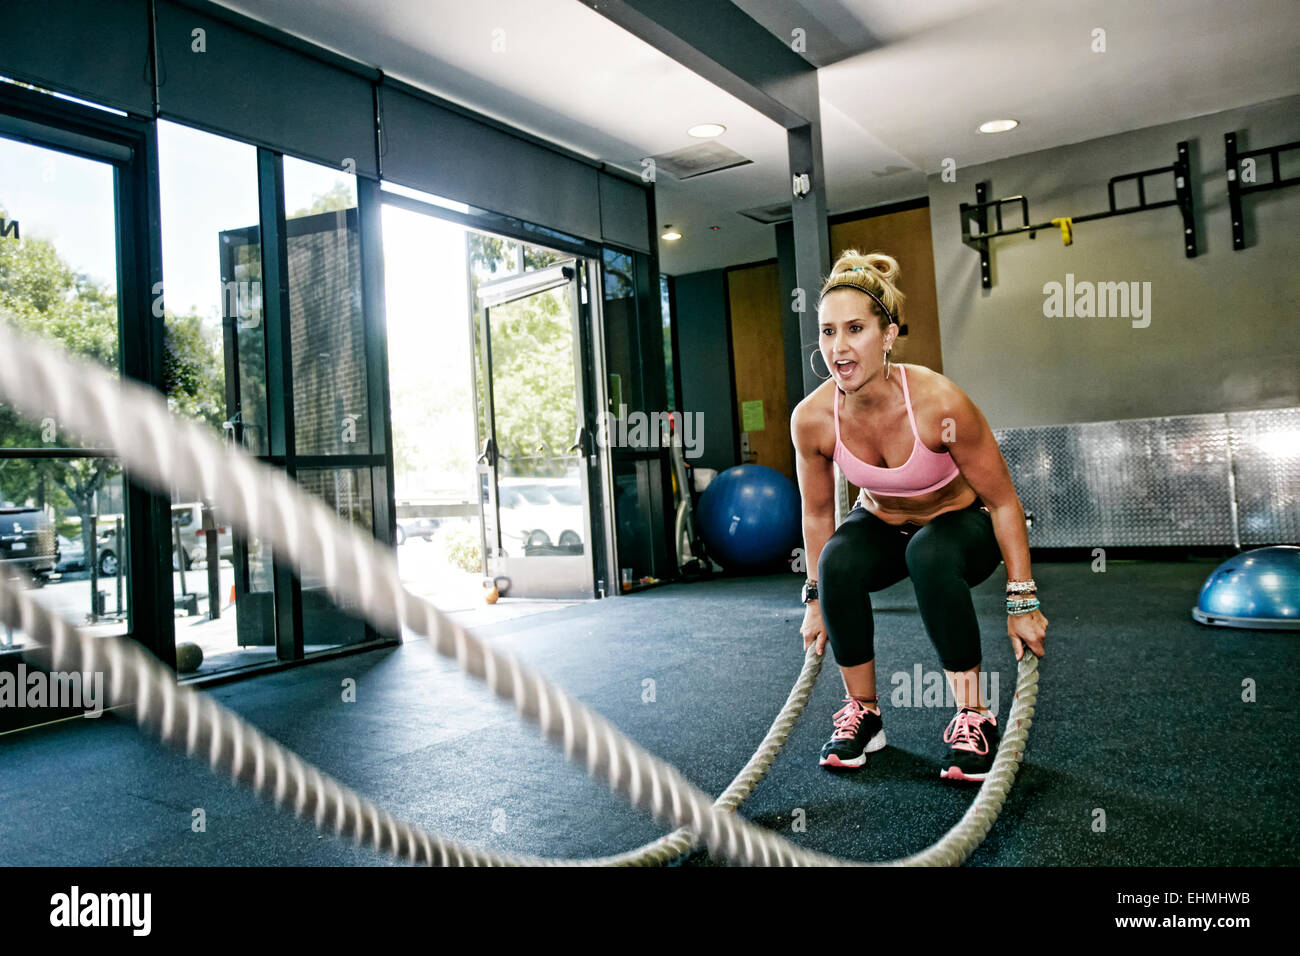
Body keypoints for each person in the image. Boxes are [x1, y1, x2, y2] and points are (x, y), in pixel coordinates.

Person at [790, 250, 1048, 782]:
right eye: (828, 331)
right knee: (838, 558)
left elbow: (1003, 501)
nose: (839, 347)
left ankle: (974, 714)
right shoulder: (812, 419)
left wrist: (1023, 601)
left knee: (928, 552)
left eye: (856, 329)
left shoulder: (938, 403)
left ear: (887, 335)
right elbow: (818, 515)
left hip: (960, 525)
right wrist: (815, 598)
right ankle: (863, 712)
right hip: (883, 524)